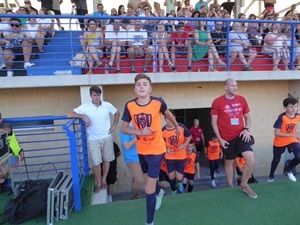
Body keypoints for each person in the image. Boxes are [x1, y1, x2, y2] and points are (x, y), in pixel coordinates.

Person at [121, 73, 180, 225]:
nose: (141, 87)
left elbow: (168, 114)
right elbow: (125, 128)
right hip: (141, 150)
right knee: (148, 177)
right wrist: (139, 132)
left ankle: (149, 221)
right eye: (138, 84)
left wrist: (177, 126)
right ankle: (159, 192)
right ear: (135, 89)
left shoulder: (158, 102)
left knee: (148, 187)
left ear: (150, 88)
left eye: (145, 84)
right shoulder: (130, 105)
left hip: (157, 150)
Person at [67, 85, 120, 193]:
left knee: (107, 160)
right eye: (94, 95)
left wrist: (114, 125)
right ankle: (98, 182)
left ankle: (104, 180)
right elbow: (70, 114)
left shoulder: (107, 105)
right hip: (93, 139)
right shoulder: (85, 106)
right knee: (96, 163)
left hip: (107, 137)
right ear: (91, 96)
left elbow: (117, 113)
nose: (97, 97)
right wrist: (83, 117)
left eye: (98, 95)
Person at [211, 78, 257, 199]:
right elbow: (214, 122)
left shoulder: (242, 99)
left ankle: (244, 184)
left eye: (236, 85)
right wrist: (220, 139)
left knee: (250, 159)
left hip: (241, 136)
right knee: (228, 163)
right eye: (232, 85)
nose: (235, 87)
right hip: (226, 138)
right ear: (225, 87)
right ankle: (230, 185)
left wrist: (247, 129)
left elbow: (248, 117)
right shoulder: (217, 101)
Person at [268, 97, 300, 182]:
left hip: (292, 140)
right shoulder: (282, 117)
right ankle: (271, 177)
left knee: (299, 156)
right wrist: (294, 134)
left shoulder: (297, 116)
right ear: (285, 108)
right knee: (276, 160)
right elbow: (277, 133)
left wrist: (297, 135)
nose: (294, 109)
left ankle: (288, 169)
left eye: (296, 106)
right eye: (291, 107)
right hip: (280, 142)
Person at [162, 109, 192, 195]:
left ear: (174, 117)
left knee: (179, 177)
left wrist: (185, 145)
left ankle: (179, 183)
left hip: (181, 156)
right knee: (171, 176)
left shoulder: (181, 127)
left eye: (171, 118)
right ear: (164, 119)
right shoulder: (163, 130)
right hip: (169, 157)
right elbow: (160, 143)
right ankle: (173, 190)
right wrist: (166, 149)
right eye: (167, 118)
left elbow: (189, 136)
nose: (169, 120)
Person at [0, 112, 23, 195]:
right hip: (2, 158)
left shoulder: (6, 126)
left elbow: (7, 130)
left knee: (3, 171)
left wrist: (20, 154)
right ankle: (4, 183)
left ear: (1, 119)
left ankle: (6, 183)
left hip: (13, 156)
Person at [119, 124, 143, 200]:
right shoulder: (124, 130)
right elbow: (127, 146)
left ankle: (135, 196)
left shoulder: (139, 127)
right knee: (139, 179)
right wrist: (139, 135)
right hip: (131, 158)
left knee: (136, 178)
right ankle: (135, 197)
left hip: (142, 157)